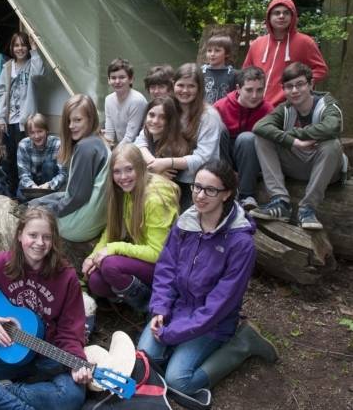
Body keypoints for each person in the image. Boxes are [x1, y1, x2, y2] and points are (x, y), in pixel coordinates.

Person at [0, 206, 92, 409]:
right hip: (6, 353)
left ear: (54, 241)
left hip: (47, 355)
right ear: (19, 235)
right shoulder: (0, 264)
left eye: (47, 237)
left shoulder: (66, 277)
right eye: (33, 235)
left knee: (71, 398)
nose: (39, 243)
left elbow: (71, 329)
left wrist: (77, 361)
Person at [137, 160, 257, 400]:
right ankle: (176, 348)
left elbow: (220, 303)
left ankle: (243, 344)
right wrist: (160, 308)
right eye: (196, 187)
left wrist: (173, 333)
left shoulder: (241, 243)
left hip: (213, 322)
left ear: (227, 194)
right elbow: (165, 269)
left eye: (210, 190)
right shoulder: (185, 224)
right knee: (143, 363)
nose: (200, 196)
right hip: (176, 309)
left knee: (178, 381)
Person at [82, 143, 179, 313]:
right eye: (117, 171)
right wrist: (93, 256)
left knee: (110, 265)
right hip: (146, 262)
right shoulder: (126, 192)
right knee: (95, 279)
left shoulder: (154, 199)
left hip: (166, 267)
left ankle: (149, 305)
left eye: (129, 169)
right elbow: (110, 230)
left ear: (140, 168)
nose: (123, 177)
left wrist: (113, 248)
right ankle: (131, 294)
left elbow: (158, 253)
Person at [250, 62, 346, 230]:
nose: (294, 90)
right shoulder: (284, 108)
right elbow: (259, 127)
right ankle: (280, 202)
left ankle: (307, 208)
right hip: (297, 163)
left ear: (311, 84)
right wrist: (295, 142)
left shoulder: (327, 104)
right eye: (289, 86)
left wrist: (295, 133)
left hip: (326, 167)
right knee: (261, 137)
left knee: (332, 144)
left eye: (300, 84)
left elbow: (332, 127)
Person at [136, 63, 224, 211]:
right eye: (180, 85)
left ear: (199, 88)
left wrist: (166, 163)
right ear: (173, 85)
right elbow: (140, 139)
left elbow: (203, 158)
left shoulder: (209, 116)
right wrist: (155, 164)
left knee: (182, 221)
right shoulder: (168, 105)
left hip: (195, 179)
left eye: (191, 86)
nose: (184, 90)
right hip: (167, 172)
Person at [31, 95, 111, 242]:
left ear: (91, 118)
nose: (70, 126)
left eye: (78, 120)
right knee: (42, 200)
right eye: (68, 121)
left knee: (32, 208)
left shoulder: (85, 147)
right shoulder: (99, 141)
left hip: (79, 226)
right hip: (96, 221)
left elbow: (77, 197)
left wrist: (50, 211)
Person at [243, 0, 328, 106]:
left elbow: (321, 69)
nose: (281, 16)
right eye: (276, 13)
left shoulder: (305, 42)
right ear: (269, 17)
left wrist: (298, 86)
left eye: (286, 13)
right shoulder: (257, 44)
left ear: (292, 17)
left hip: (289, 107)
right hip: (256, 106)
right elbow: (245, 72)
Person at [214, 66, 273, 209]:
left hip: (250, 158)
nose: (254, 95)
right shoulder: (220, 107)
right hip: (225, 158)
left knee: (248, 138)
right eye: (249, 90)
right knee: (218, 128)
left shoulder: (268, 110)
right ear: (238, 88)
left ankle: (246, 196)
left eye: (259, 90)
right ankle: (225, 182)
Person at [0, 31, 45, 192]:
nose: (20, 48)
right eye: (16, 45)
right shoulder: (7, 67)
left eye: (23, 45)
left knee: (27, 160)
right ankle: (12, 193)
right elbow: (1, 93)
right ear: (12, 47)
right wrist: (1, 118)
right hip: (10, 121)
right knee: (9, 159)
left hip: (26, 121)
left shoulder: (33, 64)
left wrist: (34, 50)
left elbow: (38, 76)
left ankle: (29, 192)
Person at [136, 96, 190, 186]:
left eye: (163, 117)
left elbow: (163, 183)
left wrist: (147, 171)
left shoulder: (172, 149)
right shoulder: (149, 135)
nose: (155, 121)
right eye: (151, 115)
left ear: (170, 121)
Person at [17, 113, 67, 198]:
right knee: (20, 197)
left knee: (49, 165)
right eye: (32, 132)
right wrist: (34, 188)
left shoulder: (57, 144)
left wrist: (48, 185)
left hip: (50, 181)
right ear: (28, 134)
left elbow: (63, 173)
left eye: (40, 131)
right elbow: (23, 174)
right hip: (32, 181)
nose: (36, 136)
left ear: (47, 130)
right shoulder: (23, 144)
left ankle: (48, 197)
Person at [103, 58, 148, 146]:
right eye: (113, 78)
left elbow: (130, 138)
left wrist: (114, 156)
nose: (117, 81)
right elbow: (109, 133)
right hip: (122, 148)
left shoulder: (137, 100)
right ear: (108, 80)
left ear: (131, 79)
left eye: (122, 77)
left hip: (138, 148)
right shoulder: (108, 100)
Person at [202, 34, 236, 104]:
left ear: (227, 53)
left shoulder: (233, 74)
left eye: (217, 51)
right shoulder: (200, 72)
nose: (212, 54)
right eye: (209, 50)